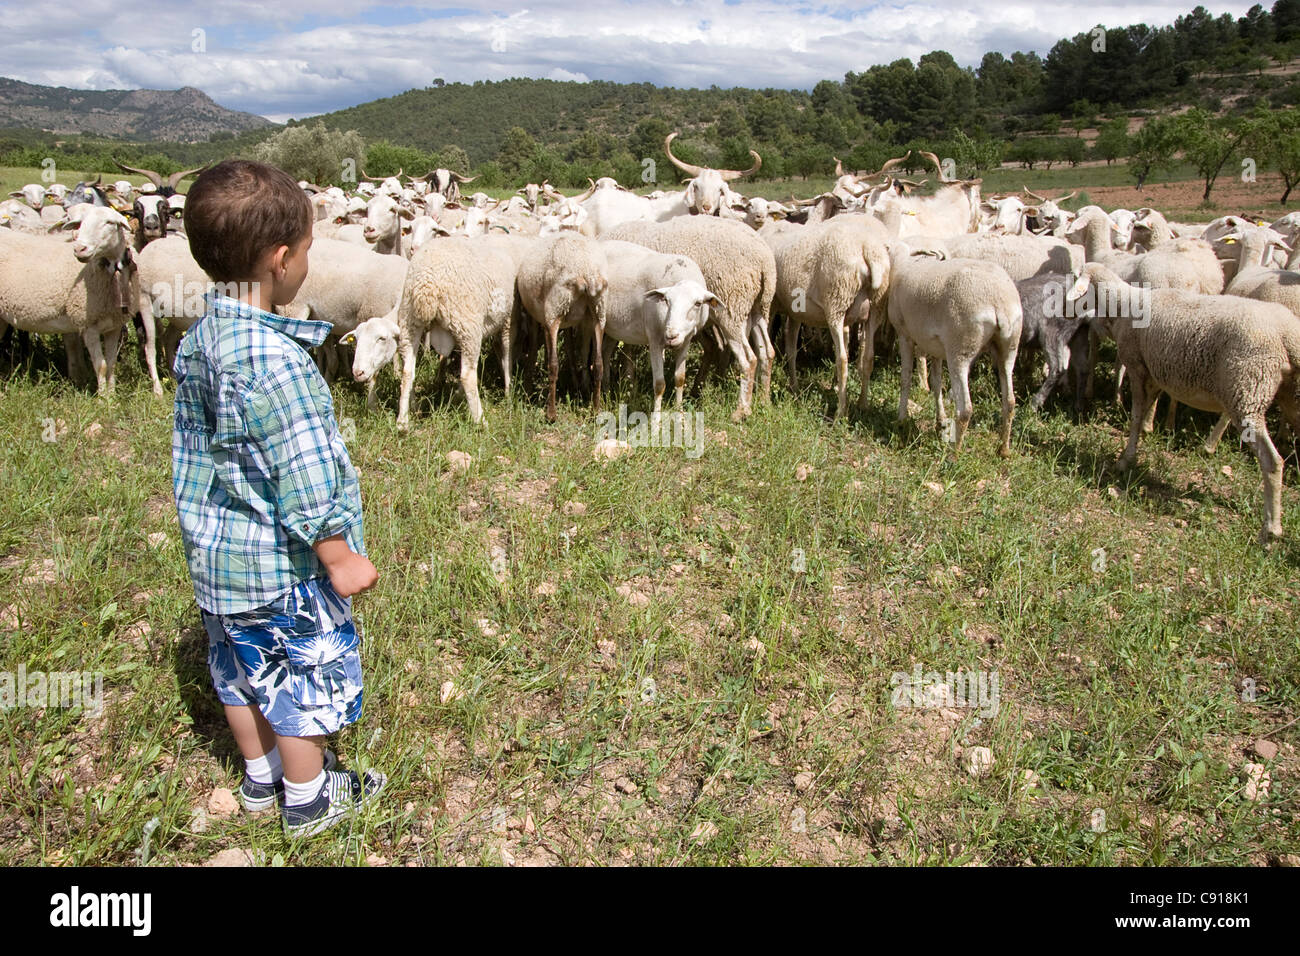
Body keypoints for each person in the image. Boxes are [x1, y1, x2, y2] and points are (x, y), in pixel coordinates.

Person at [173, 159, 383, 837]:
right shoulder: (274, 363)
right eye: (311, 251)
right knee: (301, 685)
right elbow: (303, 471)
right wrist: (338, 553)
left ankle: (260, 779)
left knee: (238, 671)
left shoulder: (203, 337)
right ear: (282, 259)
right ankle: (309, 799)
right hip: (282, 569)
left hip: (218, 562)